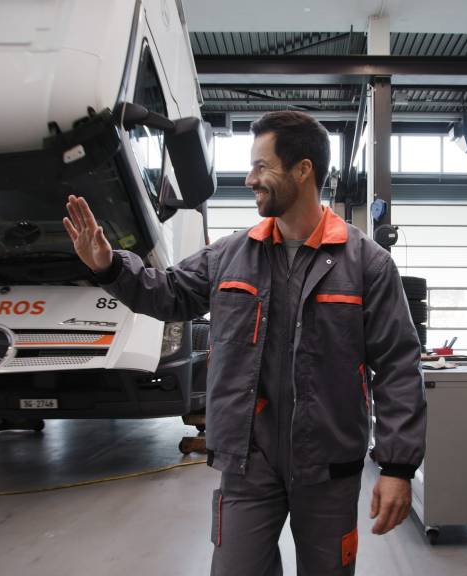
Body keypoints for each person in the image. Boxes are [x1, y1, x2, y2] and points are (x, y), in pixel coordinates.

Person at [64, 110, 426, 576]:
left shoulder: (366, 264)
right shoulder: (231, 254)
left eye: (261, 166)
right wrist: (109, 267)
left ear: (303, 169)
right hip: (248, 459)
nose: (249, 179)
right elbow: (170, 293)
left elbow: (398, 366)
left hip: (327, 462)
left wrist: (397, 467)